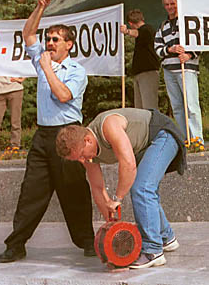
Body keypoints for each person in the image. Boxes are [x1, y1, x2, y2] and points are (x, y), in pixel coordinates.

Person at [0, 0, 95, 263]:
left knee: (74, 190)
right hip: (43, 135)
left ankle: (87, 240)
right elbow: (28, 33)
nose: (49, 43)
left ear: (69, 45)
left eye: (56, 40)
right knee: (31, 192)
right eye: (48, 39)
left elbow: (63, 95)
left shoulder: (76, 71)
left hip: (69, 133)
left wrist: (47, 69)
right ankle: (16, 244)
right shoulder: (42, 58)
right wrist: (39, 8)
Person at [56, 107, 186, 269]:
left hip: (163, 135)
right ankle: (166, 237)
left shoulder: (108, 126)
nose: (83, 161)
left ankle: (153, 251)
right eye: (77, 159)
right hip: (145, 148)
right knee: (145, 189)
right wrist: (112, 223)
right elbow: (97, 189)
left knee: (142, 187)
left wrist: (117, 199)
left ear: (88, 140)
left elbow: (129, 165)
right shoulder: (88, 156)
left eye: (82, 155)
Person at [154, 0, 204, 149]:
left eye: (172, 4)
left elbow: (201, 41)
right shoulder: (163, 26)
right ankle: (185, 141)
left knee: (191, 106)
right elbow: (157, 48)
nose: (170, 7)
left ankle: (197, 140)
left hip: (187, 69)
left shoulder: (188, 22)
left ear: (178, 3)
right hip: (169, 70)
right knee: (177, 107)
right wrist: (169, 49)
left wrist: (190, 54)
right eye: (167, 4)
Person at [120, 9, 160, 109]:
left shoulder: (147, 29)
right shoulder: (145, 32)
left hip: (148, 72)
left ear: (130, 23)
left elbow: (138, 33)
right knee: (140, 107)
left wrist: (127, 31)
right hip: (140, 73)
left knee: (149, 105)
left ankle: (152, 124)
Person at [0, 76, 25, 151]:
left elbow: (27, 65)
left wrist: (23, 78)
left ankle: (15, 145)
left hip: (15, 89)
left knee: (15, 120)